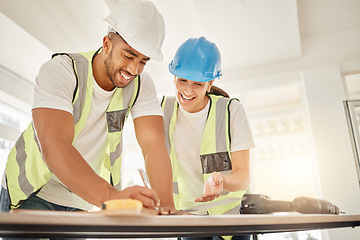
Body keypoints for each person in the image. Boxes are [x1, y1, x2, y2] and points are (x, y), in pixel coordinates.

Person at [0, 0, 175, 214]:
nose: (134, 69)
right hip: (34, 193)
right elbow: (54, 146)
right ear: (107, 44)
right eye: (128, 55)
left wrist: (166, 205)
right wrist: (112, 196)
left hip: (81, 198)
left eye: (143, 61)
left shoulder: (141, 85)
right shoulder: (61, 71)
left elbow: (153, 144)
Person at [161, 37, 255, 240]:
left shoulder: (231, 110)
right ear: (174, 76)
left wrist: (223, 181)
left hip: (230, 220)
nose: (187, 90)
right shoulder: (161, 110)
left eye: (197, 84)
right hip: (188, 218)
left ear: (211, 83)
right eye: (182, 80)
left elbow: (243, 177)